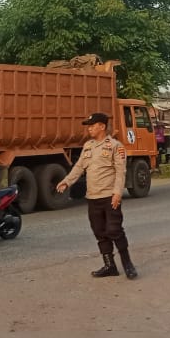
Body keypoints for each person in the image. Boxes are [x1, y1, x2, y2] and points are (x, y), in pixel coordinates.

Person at [56, 112, 138, 280]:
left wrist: (117, 193)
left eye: (92, 126)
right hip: (93, 197)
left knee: (114, 230)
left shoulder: (115, 146)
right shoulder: (88, 146)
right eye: (89, 126)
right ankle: (110, 266)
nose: (89, 129)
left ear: (102, 126)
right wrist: (66, 181)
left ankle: (127, 263)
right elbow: (79, 167)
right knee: (99, 232)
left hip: (109, 196)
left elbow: (120, 171)